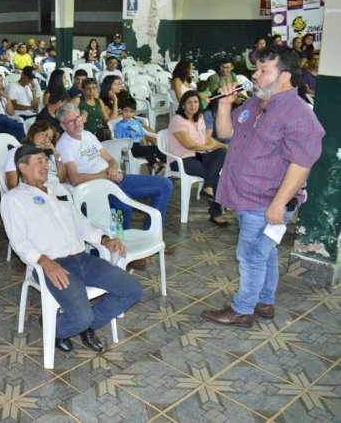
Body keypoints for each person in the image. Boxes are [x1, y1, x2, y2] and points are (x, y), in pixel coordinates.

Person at [201, 46, 324, 327]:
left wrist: (278, 204)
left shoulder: (300, 115)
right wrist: (224, 105)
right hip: (246, 197)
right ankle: (264, 302)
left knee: (250, 255)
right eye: (257, 69)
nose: (254, 75)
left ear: (285, 76)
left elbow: (301, 164)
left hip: (267, 201)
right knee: (264, 254)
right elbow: (225, 133)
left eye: (263, 70)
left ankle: (242, 309)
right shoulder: (256, 103)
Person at [0, 144, 142, 354]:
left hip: (82, 259)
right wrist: (47, 263)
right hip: (53, 265)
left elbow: (80, 223)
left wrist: (103, 239)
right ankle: (57, 330)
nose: (45, 165)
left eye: (45, 160)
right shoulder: (13, 200)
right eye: (38, 161)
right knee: (80, 316)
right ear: (22, 166)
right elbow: (19, 243)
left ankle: (88, 327)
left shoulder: (59, 190)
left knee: (132, 289)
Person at [56, 103, 173, 229]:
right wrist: (106, 175)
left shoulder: (88, 135)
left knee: (165, 184)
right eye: (70, 121)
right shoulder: (64, 145)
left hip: (113, 177)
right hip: (97, 187)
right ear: (63, 126)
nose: (76, 123)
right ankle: (122, 242)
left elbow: (110, 159)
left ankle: (151, 231)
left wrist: (112, 169)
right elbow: (74, 179)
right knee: (124, 206)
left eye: (77, 118)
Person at [167, 91, 228, 224]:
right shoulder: (178, 120)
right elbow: (189, 145)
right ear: (183, 105)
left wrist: (222, 145)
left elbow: (206, 139)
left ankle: (208, 187)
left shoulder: (199, 118)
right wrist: (209, 147)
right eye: (189, 102)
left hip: (199, 156)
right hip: (181, 160)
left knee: (222, 152)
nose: (193, 105)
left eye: (195, 102)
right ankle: (215, 212)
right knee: (213, 175)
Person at [4, 121, 66, 189]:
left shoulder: (49, 154)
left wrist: (57, 155)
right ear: (34, 132)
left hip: (55, 190)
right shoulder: (16, 152)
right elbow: (12, 185)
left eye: (50, 139)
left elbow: (62, 179)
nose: (47, 140)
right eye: (45, 135)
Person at [115, 98, 166, 175]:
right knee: (147, 150)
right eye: (126, 111)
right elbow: (118, 141)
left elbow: (142, 135)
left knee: (156, 148)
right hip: (129, 148)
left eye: (131, 111)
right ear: (121, 111)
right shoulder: (120, 125)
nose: (128, 114)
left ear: (134, 113)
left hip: (138, 146)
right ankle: (156, 168)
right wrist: (124, 150)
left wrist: (143, 143)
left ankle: (169, 164)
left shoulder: (136, 123)